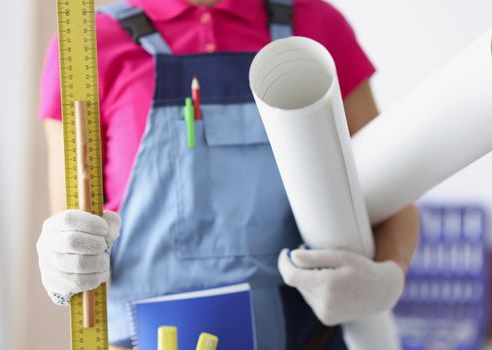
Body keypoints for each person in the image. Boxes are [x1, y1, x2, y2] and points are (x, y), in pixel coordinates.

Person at [36, 0, 420, 349]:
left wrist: (388, 274)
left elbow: (395, 200)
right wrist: (64, 262)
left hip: (308, 340)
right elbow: (74, 226)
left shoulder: (317, 26)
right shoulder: (89, 45)